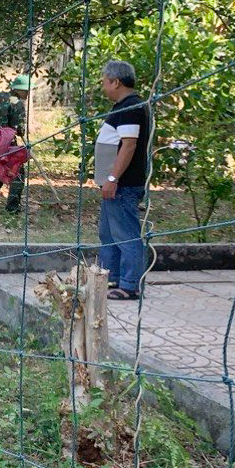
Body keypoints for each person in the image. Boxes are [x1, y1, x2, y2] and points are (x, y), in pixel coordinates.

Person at [94, 60, 152, 300]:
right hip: (116, 184)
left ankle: (130, 285)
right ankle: (113, 277)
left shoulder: (130, 107)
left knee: (126, 234)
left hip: (123, 184)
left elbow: (128, 146)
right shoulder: (127, 106)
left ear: (115, 81)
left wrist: (112, 177)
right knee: (108, 234)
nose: (103, 87)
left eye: (104, 81)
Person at [0, 75, 31, 214]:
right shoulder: (16, 103)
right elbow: (19, 129)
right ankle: (13, 207)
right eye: (25, 90)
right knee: (18, 174)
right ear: (17, 90)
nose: (27, 93)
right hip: (6, 143)